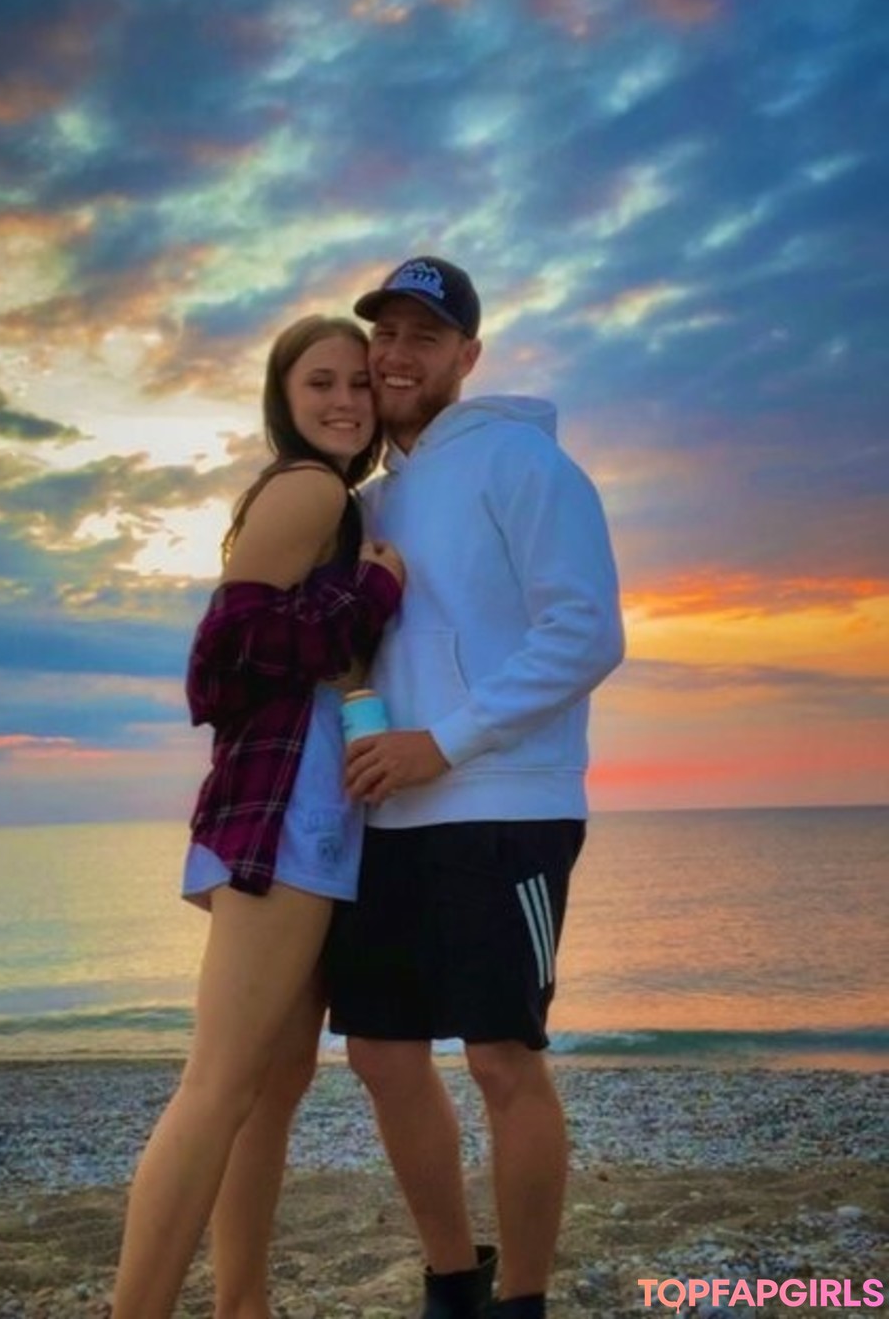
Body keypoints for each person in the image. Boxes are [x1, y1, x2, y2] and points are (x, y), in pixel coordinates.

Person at [324, 257, 625, 1319]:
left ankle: (524, 1299)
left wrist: (444, 742)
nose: (397, 354)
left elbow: (586, 632)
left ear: (468, 354)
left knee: (502, 1056)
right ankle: (454, 1279)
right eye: (385, 332)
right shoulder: (367, 499)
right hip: (390, 810)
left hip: (505, 806)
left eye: (425, 334)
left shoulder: (524, 462)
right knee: (379, 1052)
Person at [111, 314, 405, 1319]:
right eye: (320, 382)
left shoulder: (333, 502)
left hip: (298, 811)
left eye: (360, 383)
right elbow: (224, 651)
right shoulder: (312, 486)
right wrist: (373, 592)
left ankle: (244, 1304)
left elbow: (305, 655)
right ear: (283, 396)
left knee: (270, 1090)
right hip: (287, 814)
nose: (345, 401)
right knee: (220, 1086)